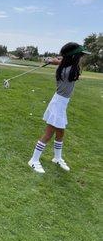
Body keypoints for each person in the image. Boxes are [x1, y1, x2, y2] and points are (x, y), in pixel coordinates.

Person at [28, 42, 91, 174]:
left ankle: (57, 158)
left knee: (60, 133)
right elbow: (71, 64)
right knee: (48, 134)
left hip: (60, 104)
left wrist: (54, 60)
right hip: (58, 105)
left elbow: (62, 61)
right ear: (73, 57)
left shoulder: (65, 66)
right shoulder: (70, 71)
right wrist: (56, 60)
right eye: (80, 56)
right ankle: (33, 160)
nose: (81, 58)